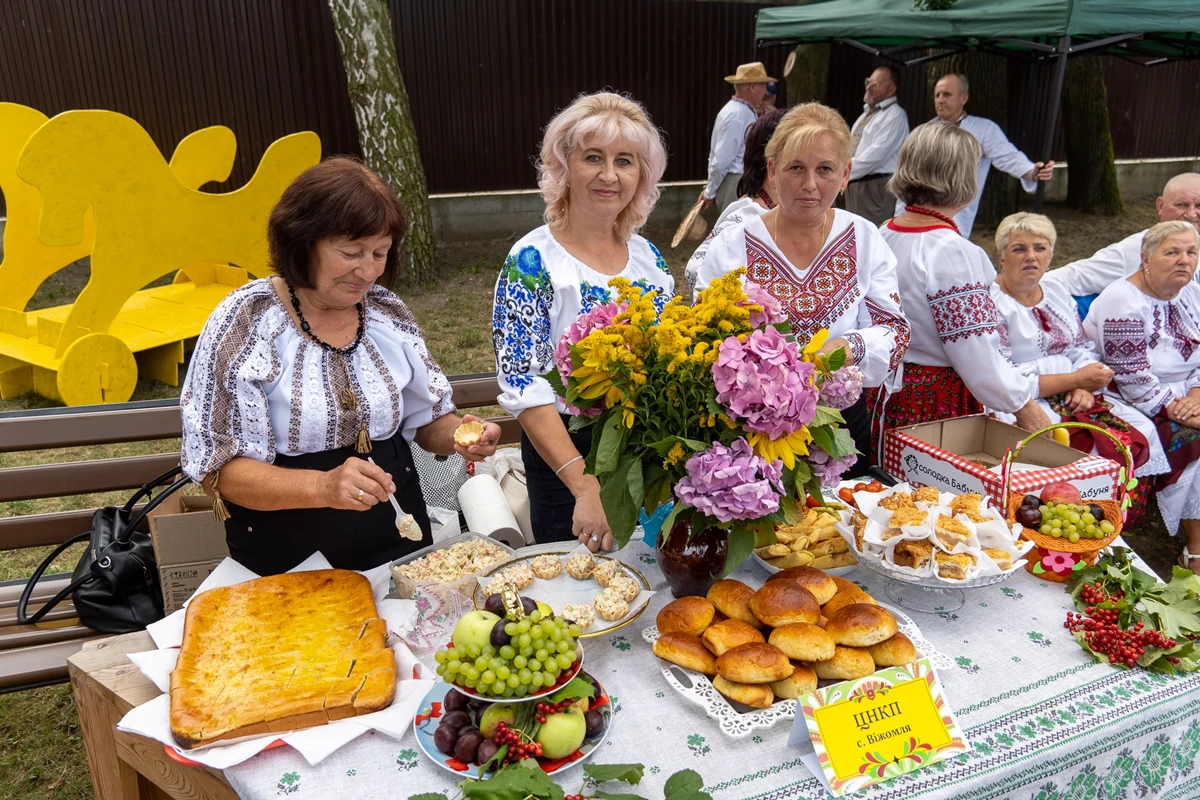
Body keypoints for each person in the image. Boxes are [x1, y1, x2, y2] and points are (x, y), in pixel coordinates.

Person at [180, 158, 501, 576]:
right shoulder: (246, 322)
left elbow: (427, 421)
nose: (367, 271)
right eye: (351, 253)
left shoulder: (386, 312)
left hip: (398, 536)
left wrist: (459, 436)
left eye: (380, 253)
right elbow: (218, 472)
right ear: (302, 242)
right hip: (287, 554)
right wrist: (323, 486)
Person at [492, 92, 671, 552]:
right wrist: (585, 486)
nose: (609, 175)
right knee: (577, 584)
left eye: (625, 161)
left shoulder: (649, 259)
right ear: (563, 167)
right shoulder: (531, 261)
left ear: (642, 175)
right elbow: (525, 386)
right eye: (593, 157)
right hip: (566, 457)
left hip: (645, 450)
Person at [694, 103, 910, 474]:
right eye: (796, 168)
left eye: (825, 169)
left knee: (845, 511)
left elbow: (894, 329)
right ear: (772, 171)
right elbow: (704, 337)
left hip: (840, 424)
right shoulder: (731, 246)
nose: (810, 184)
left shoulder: (864, 238)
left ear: (845, 175)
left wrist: (847, 347)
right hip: (752, 428)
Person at [871, 121, 1052, 450]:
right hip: (934, 403)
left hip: (886, 393)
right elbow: (976, 351)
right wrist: (1024, 406)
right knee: (933, 481)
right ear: (963, 178)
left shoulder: (884, 233)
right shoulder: (951, 252)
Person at [988, 213, 1161, 492]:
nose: (1031, 256)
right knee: (1057, 443)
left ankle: (1115, 507)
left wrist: (1085, 386)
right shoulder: (992, 302)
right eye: (1019, 249)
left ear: (1050, 256)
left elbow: (1082, 346)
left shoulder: (1055, 290)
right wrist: (1076, 380)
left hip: (1071, 390)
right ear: (1002, 257)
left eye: (1040, 248)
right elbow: (1001, 374)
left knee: (1141, 428)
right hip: (1020, 399)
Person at [1083, 221, 1200, 573]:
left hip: (1188, 394)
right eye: (1172, 252)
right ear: (1145, 257)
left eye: (1191, 252)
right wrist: (1180, 411)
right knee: (1193, 438)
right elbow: (1131, 376)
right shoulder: (1124, 299)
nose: (1184, 260)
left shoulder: (1192, 293)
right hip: (1127, 397)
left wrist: (1197, 392)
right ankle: (1196, 548)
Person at [897, 74, 1054, 237]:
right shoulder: (923, 132)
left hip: (956, 219)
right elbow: (908, 175)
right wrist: (899, 215)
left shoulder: (983, 129)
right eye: (937, 95)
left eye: (947, 94)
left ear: (963, 98)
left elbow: (1008, 157)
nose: (940, 100)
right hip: (915, 214)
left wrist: (1031, 172)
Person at [1046, 172, 1200, 298]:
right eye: (1182, 205)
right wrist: (1033, 286)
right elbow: (1076, 276)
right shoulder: (1139, 247)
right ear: (1160, 206)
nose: (1191, 214)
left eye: (1199, 206)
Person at [685, 109, 785, 291]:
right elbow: (695, 269)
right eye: (796, 166)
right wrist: (746, 300)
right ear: (771, 164)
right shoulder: (747, 216)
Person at [699, 62, 774, 214]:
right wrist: (710, 192)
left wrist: (711, 188)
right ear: (752, 87)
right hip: (734, 183)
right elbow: (721, 161)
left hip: (737, 181)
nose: (765, 91)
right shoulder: (736, 115)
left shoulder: (741, 112)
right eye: (763, 86)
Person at [846, 65, 908, 226]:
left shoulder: (895, 115)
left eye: (875, 85)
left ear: (891, 89)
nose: (868, 87)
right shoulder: (866, 114)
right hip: (856, 184)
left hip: (875, 190)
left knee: (871, 235)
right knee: (855, 234)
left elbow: (876, 155)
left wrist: (844, 171)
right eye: (868, 82)